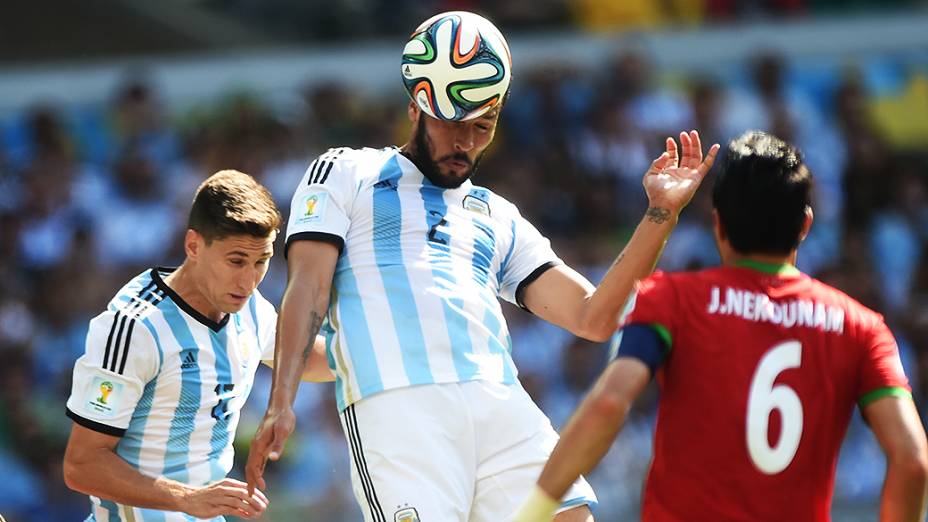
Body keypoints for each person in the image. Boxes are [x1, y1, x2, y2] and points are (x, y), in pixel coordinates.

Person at [245, 11, 718, 522]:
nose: (466, 142)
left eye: (482, 126)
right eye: (452, 123)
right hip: (400, 408)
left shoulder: (497, 214)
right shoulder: (344, 170)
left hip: (500, 402)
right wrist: (282, 398)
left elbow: (593, 317)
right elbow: (309, 289)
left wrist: (660, 215)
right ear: (414, 108)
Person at [513, 131, 928, 521]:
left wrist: (535, 511)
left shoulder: (671, 299)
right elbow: (912, 459)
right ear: (805, 225)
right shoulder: (860, 327)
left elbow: (608, 403)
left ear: (719, 224)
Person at [62, 170, 332, 521]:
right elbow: (81, 466)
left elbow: (303, 356)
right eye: (236, 261)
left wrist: (401, 351)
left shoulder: (247, 306)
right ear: (193, 246)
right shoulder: (135, 329)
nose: (249, 280)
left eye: (261, 262)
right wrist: (186, 498)